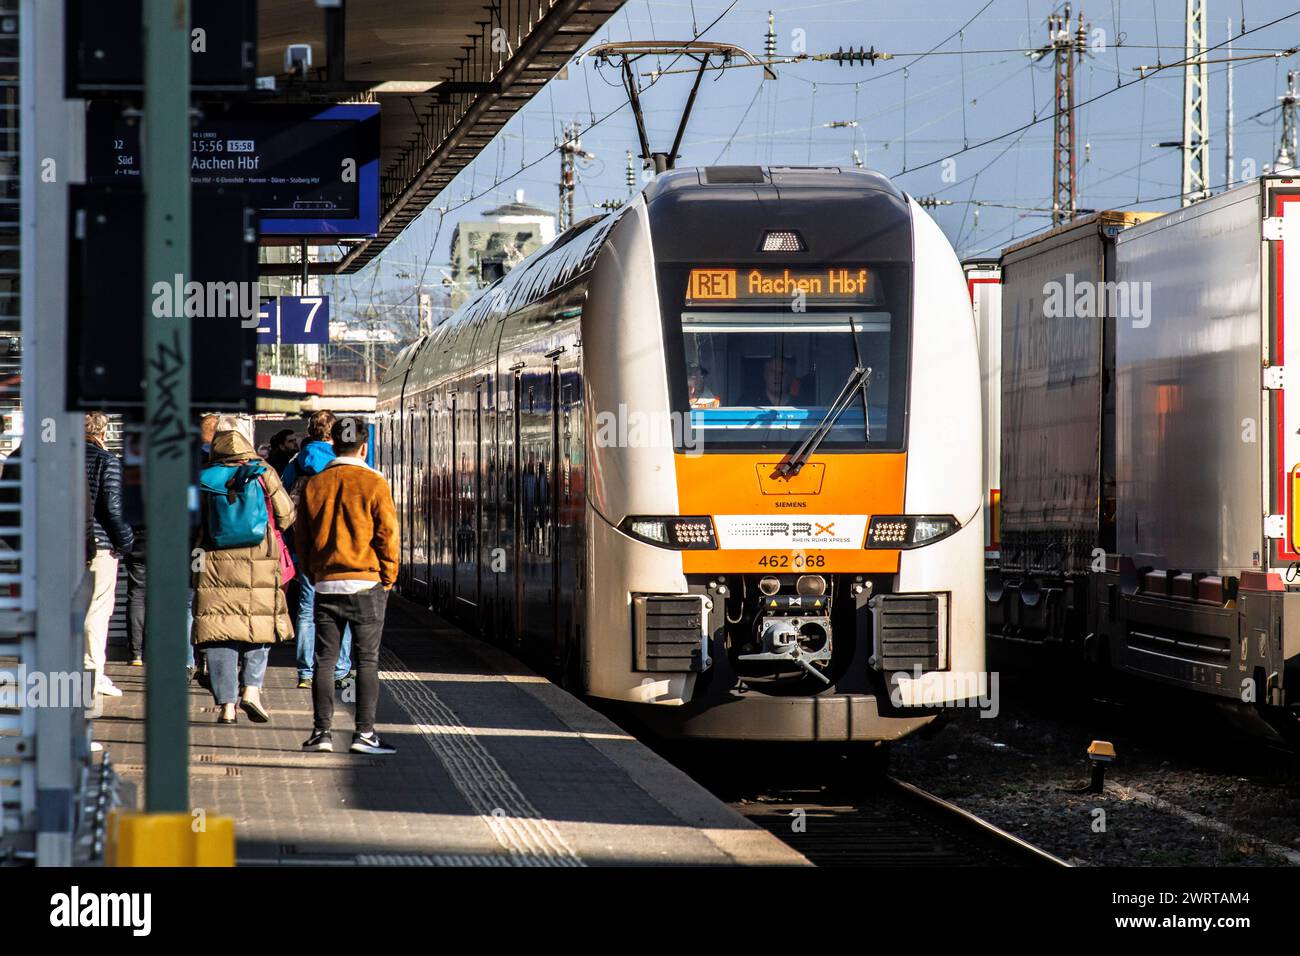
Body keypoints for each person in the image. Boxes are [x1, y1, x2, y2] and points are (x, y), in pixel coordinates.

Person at [296, 416, 400, 755]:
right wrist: (388, 576)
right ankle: (365, 734)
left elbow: (302, 536)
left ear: (333, 445)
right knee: (366, 660)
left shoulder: (316, 484)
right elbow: (387, 535)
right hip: (367, 582)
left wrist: (314, 571)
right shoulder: (374, 483)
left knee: (324, 660)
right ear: (364, 447)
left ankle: (321, 733)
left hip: (327, 582)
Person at [192, 427, 295, 724]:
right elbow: (286, 514)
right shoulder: (263, 472)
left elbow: (189, 523)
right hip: (261, 560)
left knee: (219, 632)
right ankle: (251, 690)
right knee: (259, 626)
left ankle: (226, 705)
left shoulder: (203, 477)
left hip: (213, 563)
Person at [283, 410, 353, 690]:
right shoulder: (341, 463)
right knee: (343, 608)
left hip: (305, 545)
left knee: (306, 610)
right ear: (333, 432)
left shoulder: (295, 463)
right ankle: (339, 669)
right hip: (338, 546)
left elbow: (282, 503)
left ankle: (306, 672)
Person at [84, 412, 134, 697]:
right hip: (100, 545)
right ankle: (93, 674)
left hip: (62, 545)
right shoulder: (107, 461)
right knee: (98, 609)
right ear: (103, 432)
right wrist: (125, 540)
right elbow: (113, 508)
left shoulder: (57, 456)